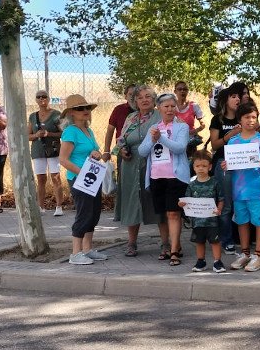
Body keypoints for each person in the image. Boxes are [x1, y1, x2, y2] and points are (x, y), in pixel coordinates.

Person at [110, 85, 165, 258]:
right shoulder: (131, 118)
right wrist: (123, 149)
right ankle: (131, 243)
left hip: (155, 161)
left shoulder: (160, 116)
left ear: (154, 99)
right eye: (139, 97)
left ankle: (166, 243)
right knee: (131, 201)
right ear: (134, 101)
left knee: (157, 202)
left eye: (148, 96)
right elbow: (120, 138)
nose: (144, 100)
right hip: (130, 164)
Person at [137, 93, 192, 267]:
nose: (169, 109)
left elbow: (180, 148)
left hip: (175, 176)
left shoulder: (181, 127)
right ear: (158, 108)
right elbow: (142, 151)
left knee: (173, 213)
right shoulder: (153, 127)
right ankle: (168, 245)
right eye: (165, 106)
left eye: (172, 106)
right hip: (156, 176)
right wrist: (152, 140)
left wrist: (161, 138)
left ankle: (175, 251)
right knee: (163, 214)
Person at [223, 101, 260, 272]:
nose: (251, 120)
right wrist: (226, 165)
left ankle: (259, 256)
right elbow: (229, 163)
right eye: (247, 117)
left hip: (257, 189)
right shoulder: (233, 142)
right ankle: (245, 254)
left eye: (254, 117)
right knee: (242, 221)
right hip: (238, 190)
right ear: (240, 119)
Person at [59, 94, 109, 265]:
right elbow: (63, 159)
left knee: (94, 213)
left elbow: (96, 152)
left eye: (87, 108)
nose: (85, 111)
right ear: (72, 112)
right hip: (79, 179)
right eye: (80, 109)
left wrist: (97, 154)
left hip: (92, 177)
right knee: (84, 213)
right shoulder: (70, 132)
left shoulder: (88, 130)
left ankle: (87, 249)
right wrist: (82, 172)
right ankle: (75, 253)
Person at [208, 82, 248, 251]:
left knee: (242, 202)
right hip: (223, 164)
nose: (237, 99)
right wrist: (229, 135)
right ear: (225, 100)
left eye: (238, 96)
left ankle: (244, 239)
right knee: (226, 204)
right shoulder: (218, 119)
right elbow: (215, 145)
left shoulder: (243, 117)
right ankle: (226, 239)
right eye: (233, 96)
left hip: (243, 164)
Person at [179, 151, 226, 273]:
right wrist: (181, 204)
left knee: (215, 241)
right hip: (197, 221)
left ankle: (217, 262)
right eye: (198, 166)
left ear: (210, 167)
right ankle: (201, 261)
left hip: (212, 221)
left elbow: (221, 199)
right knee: (199, 241)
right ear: (193, 167)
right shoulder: (191, 185)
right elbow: (186, 200)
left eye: (204, 166)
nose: (201, 169)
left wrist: (219, 209)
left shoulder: (215, 182)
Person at [28, 90, 65, 216]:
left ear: (49, 98)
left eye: (44, 96)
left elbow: (64, 132)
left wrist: (49, 134)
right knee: (41, 179)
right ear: (36, 100)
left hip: (53, 149)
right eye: (38, 97)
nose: (41, 98)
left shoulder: (57, 115)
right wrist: (36, 135)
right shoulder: (32, 116)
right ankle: (40, 206)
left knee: (55, 177)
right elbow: (28, 135)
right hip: (38, 150)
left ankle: (59, 206)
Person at [173, 81, 205, 157]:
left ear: (187, 91)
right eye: (179, 89)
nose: (182, 91)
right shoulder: (171, 106)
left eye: (185, 89)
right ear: (175, 91)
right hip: (175, 141)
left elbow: (203, 124)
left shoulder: (194, 105)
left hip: (190, 142)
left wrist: (194, 131)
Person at [105, 84, 136, 157]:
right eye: (130, 94)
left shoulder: (144, 110)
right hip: (122, 149)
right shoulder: (119, 110)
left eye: (135, 94)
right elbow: (110, 130)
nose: (132, 97)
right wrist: (106, 151)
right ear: (125, 96)